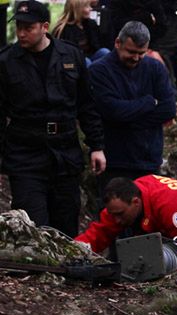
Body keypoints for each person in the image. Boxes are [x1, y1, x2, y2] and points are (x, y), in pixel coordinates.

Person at [0, 0, 106, 238]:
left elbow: (86, 105)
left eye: (29, 27)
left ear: (45, 26)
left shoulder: (70, 55)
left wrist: (97, 146)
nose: (21, 33)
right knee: (33, 228)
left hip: (64, 152)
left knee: (65, 226)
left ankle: (66, 275)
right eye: (18, 26)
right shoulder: (6, 62)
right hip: (25, 154)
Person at [88, 21, 176, 195]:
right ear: (117, 43)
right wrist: (149, 103)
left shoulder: (155, 68)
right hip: (116, 160)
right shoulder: (99, 71)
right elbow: (112, 111)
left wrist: (127, 118)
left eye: (141, 53)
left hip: (149, 158)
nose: (135, 58)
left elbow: (168, 110)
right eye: (131, 52)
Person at [76, 175, 177, 266]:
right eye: (113, 215)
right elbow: (100, 232)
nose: (116, 220)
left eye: (120, 214)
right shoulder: (123, 202)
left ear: (136, 202)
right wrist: (72, 250)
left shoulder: (170, 206)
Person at [52, 0, 110, 66]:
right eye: (87, 6)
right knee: (86, 61)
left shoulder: (90, 24)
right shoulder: (63, 29)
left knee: (104, 51)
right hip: (72, 63)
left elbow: (97, 46)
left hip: (90, 57)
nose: (91, 9)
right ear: (78, 9)